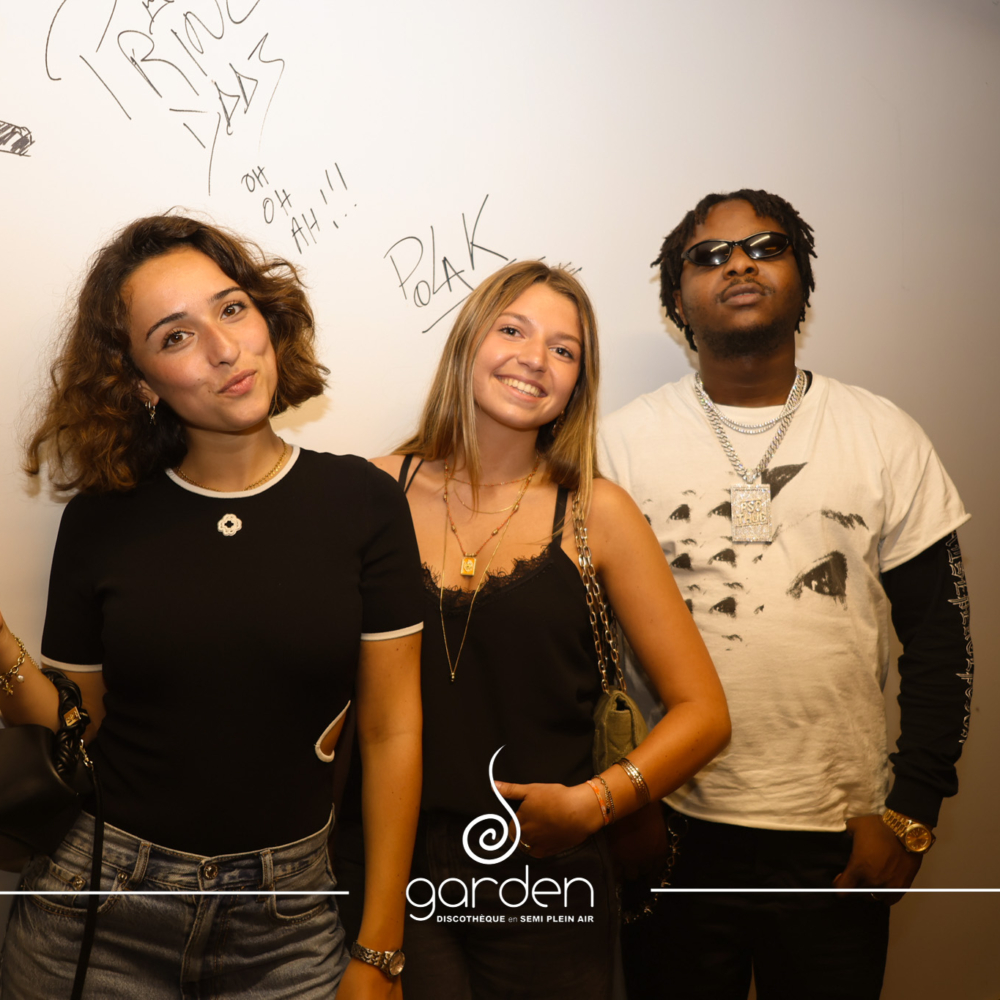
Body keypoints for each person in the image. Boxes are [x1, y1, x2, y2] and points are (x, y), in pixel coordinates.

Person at [0, 214, 423, 999]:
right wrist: (0, 645)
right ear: (139, 381)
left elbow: (392, 730)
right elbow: (73, 730)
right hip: (100, 905)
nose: (224, 349)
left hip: (290, 919)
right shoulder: (102, 517)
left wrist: (381, 947)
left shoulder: (362, 501)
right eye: (175, 336)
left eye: (231, 309)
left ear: (266, 315)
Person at [598, 189, 974, 999]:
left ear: (803, 280)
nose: (739, 264)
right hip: (671, 830)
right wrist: (623, 805)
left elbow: (942, 641)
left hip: (839, 838)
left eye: (766, 247)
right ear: (676, 302)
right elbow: (585, 647)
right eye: (709, 255)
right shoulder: (617, 445)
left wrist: (913, 810)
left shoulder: (883, 435)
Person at [355, 259, 730, 1000]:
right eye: (513, 331)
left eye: (564, 350)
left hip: (547, 874)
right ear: (468, 343)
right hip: (388, 866)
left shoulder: (598, 512)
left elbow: (705, 714)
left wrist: (594, 805)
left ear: (577, 384)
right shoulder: (371, 492)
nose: (535, 359)